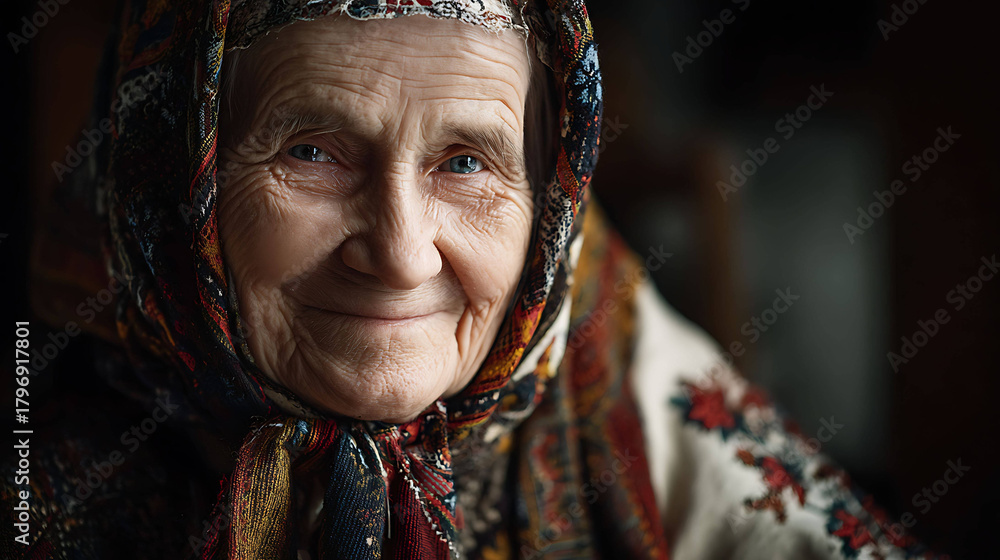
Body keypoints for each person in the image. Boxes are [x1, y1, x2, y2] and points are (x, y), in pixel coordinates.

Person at [4, 0, 945, 558]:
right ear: (167, 177)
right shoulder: (43, 409)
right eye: (314, 151)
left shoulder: (591, 327)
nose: (405, 255)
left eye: (467, 163)